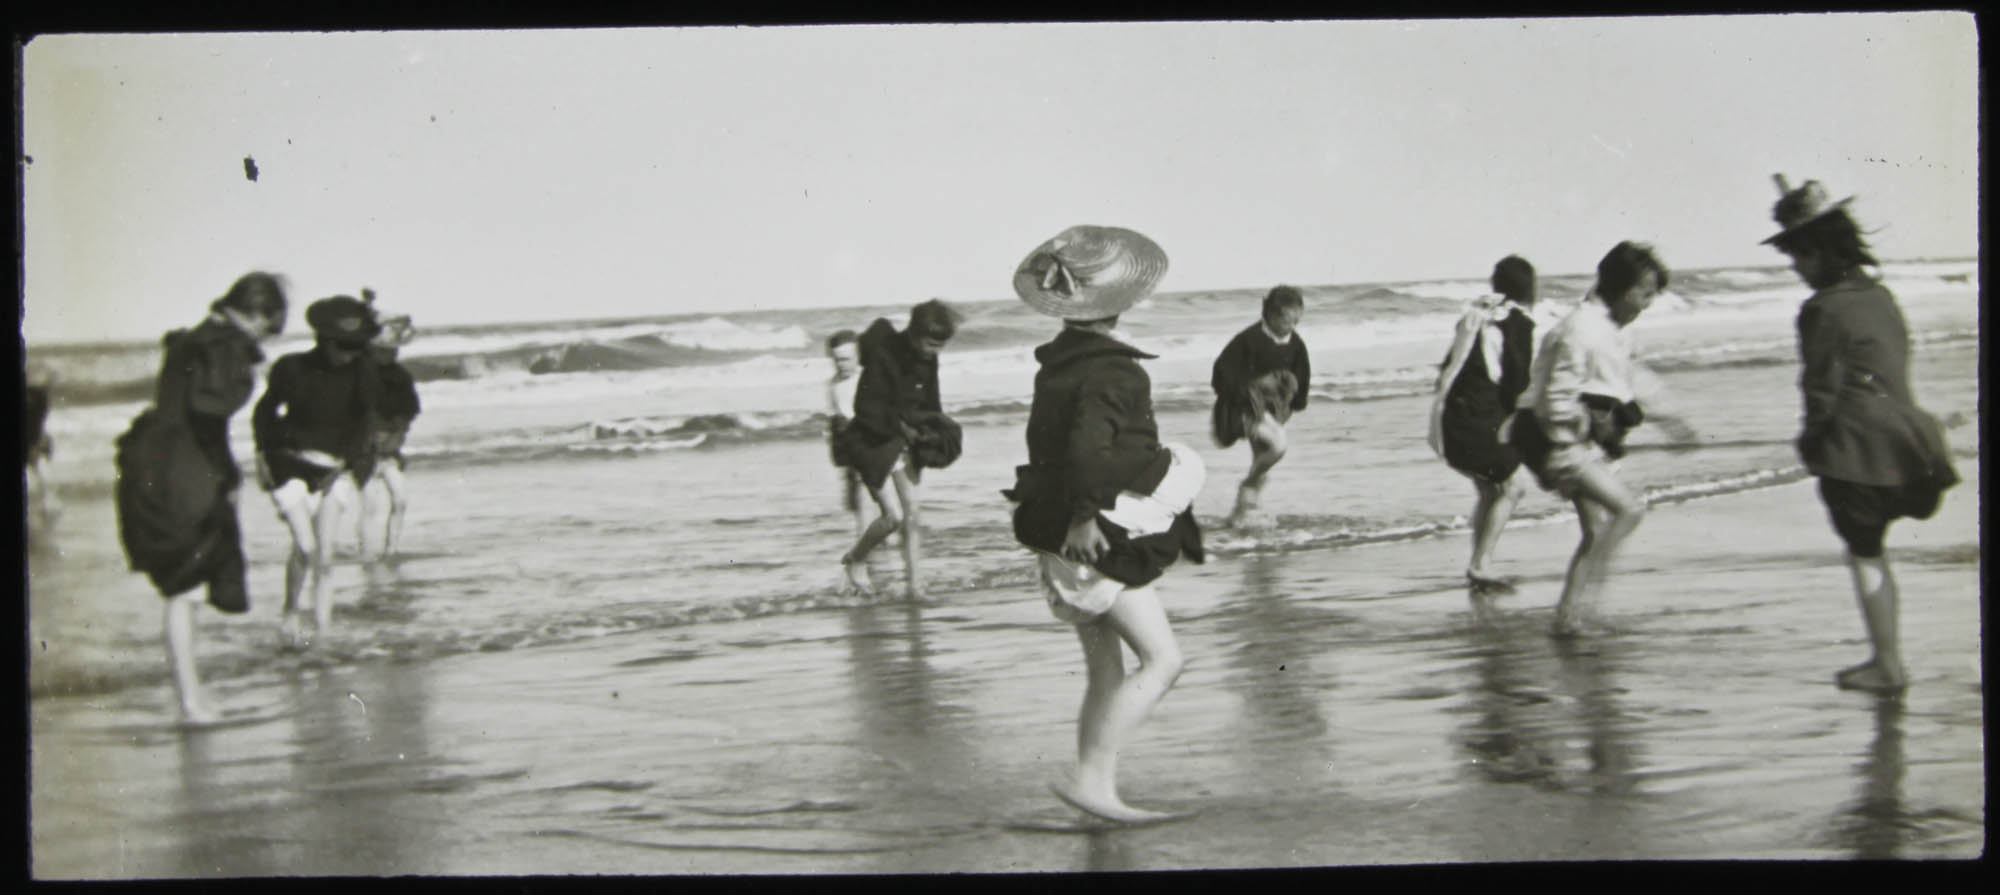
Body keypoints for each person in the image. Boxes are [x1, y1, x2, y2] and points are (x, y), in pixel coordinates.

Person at [1004, 224, 1205, 824]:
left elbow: (1053, 447)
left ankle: (1099, 790)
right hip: (1097, 531)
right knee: (1164, 661)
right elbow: (1091, 449)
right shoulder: (1117, 371)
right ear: (1122, 301)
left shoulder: (1057, 364)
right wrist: (1088, 515)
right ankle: (1090, 780)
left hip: (1058, 525)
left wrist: (1077, 512)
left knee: (1104, 668)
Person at [1764, 175, 1958, 693]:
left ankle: (1887, 662)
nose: (1796, 268)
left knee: (1866, 553)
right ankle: (1888, 658)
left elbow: (1821, 389)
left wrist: (1811, 442)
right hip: (1914, 446)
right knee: (1874, 550)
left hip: (1858, 452)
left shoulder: (1820, 309)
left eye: (1799, 256)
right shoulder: (1880, 296)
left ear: (1822, 253)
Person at [112, 271, 287, 724]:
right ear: (256, 313)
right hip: (179, 475)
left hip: (156, 466)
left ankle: (190, 697)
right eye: (267, 327)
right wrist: (226, 478)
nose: (264, 339)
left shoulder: (194, 341)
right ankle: (190, 702)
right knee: (184, 590)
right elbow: (208, 415)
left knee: (183, 588)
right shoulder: (219, 347)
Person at [1507, 242, 1678, 637]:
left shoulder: (1608, 328)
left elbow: (1627, 374)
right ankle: (1580, 608)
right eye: (1645, 293)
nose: (1648, 303)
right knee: (1628, 511)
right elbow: (1554, 398)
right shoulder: (1580, 329)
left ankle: (1570, 617)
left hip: (1565, 436)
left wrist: (1668, 417)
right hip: (1552, 437)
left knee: (1598, 529)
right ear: (1621, 288)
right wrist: (1579, 435)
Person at [253, 294, 383, 649]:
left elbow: (366, 423)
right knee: (306, 548)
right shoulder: (291, 368)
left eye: (357, 347)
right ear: (324, 340)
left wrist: (348, 465)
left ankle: (322, 636)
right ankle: (291, 610)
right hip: (289, 465)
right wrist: (263, 455)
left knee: (325, 556)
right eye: (344, 346)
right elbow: (264, 413)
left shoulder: (363, 372)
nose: (350, 353)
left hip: (333, 469)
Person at [833, 299, 964, 600]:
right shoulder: (884, 353)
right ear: (915, 334)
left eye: (940, 346)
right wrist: (902, 429)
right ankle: (856, 557)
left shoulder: (929, 358)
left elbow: (931, 400)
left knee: (913, 514)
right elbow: (865, 407)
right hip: (873, 438)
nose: (935, 352)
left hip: (906, 437)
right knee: (892, 518)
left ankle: (915, 587)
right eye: (931, 344)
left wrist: (930, 431)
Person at [1429, 256, 1540, 593]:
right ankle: (1480, 565)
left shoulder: (1475, 315)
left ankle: (1480, 563)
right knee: (1513, 486)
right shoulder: (1518, 322)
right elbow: (1516, 384)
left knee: (1491, 489)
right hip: (1476, 421)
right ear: (1530, 287)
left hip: (1449, 419)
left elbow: (1450, 368)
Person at [1210, 285, 1312, 527]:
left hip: (1273, 411)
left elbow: (1303, 375)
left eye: (1297, 320)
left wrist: (1295, 401)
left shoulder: (1296, 343)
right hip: (1240, 409)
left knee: (1261, 455)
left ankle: (1244, 512)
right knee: (1278, 446)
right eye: (1288, 321)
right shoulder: (1248, 340)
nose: (1293, 327)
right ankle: (1247, 488)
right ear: (1272, 315)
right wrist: (1254, 385)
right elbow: (1220, 375)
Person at [352, 292, 421, 557]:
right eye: (385, 350)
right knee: (369, 504)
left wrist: (398, 429)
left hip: (389, 449)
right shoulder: (361, 373)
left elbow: (410, 409)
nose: (391, 353)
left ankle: (390, 551)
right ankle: (365, 552)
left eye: (393, 350)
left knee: (400, 500)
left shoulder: (400, 376)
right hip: (365, 451)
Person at [823, 329, 869, 539]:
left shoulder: (867, 378)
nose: (841, 364)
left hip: (868, 437)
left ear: (858, 356)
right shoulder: (833, 384)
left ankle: (870, 536)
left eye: (846, 359)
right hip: (847, 439)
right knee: (852, 494)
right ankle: (865, 531)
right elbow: (833, 412)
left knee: (869, 489)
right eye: (836, 360)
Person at [24, 360, 61, 540]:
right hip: (31, 439)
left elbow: (37, 424)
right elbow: (36, 424)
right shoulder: (38, 400)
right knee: (37, 472)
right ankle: (45, 505)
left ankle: (44, 506)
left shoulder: (36, 399)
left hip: (31, 439)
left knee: (36, 472)